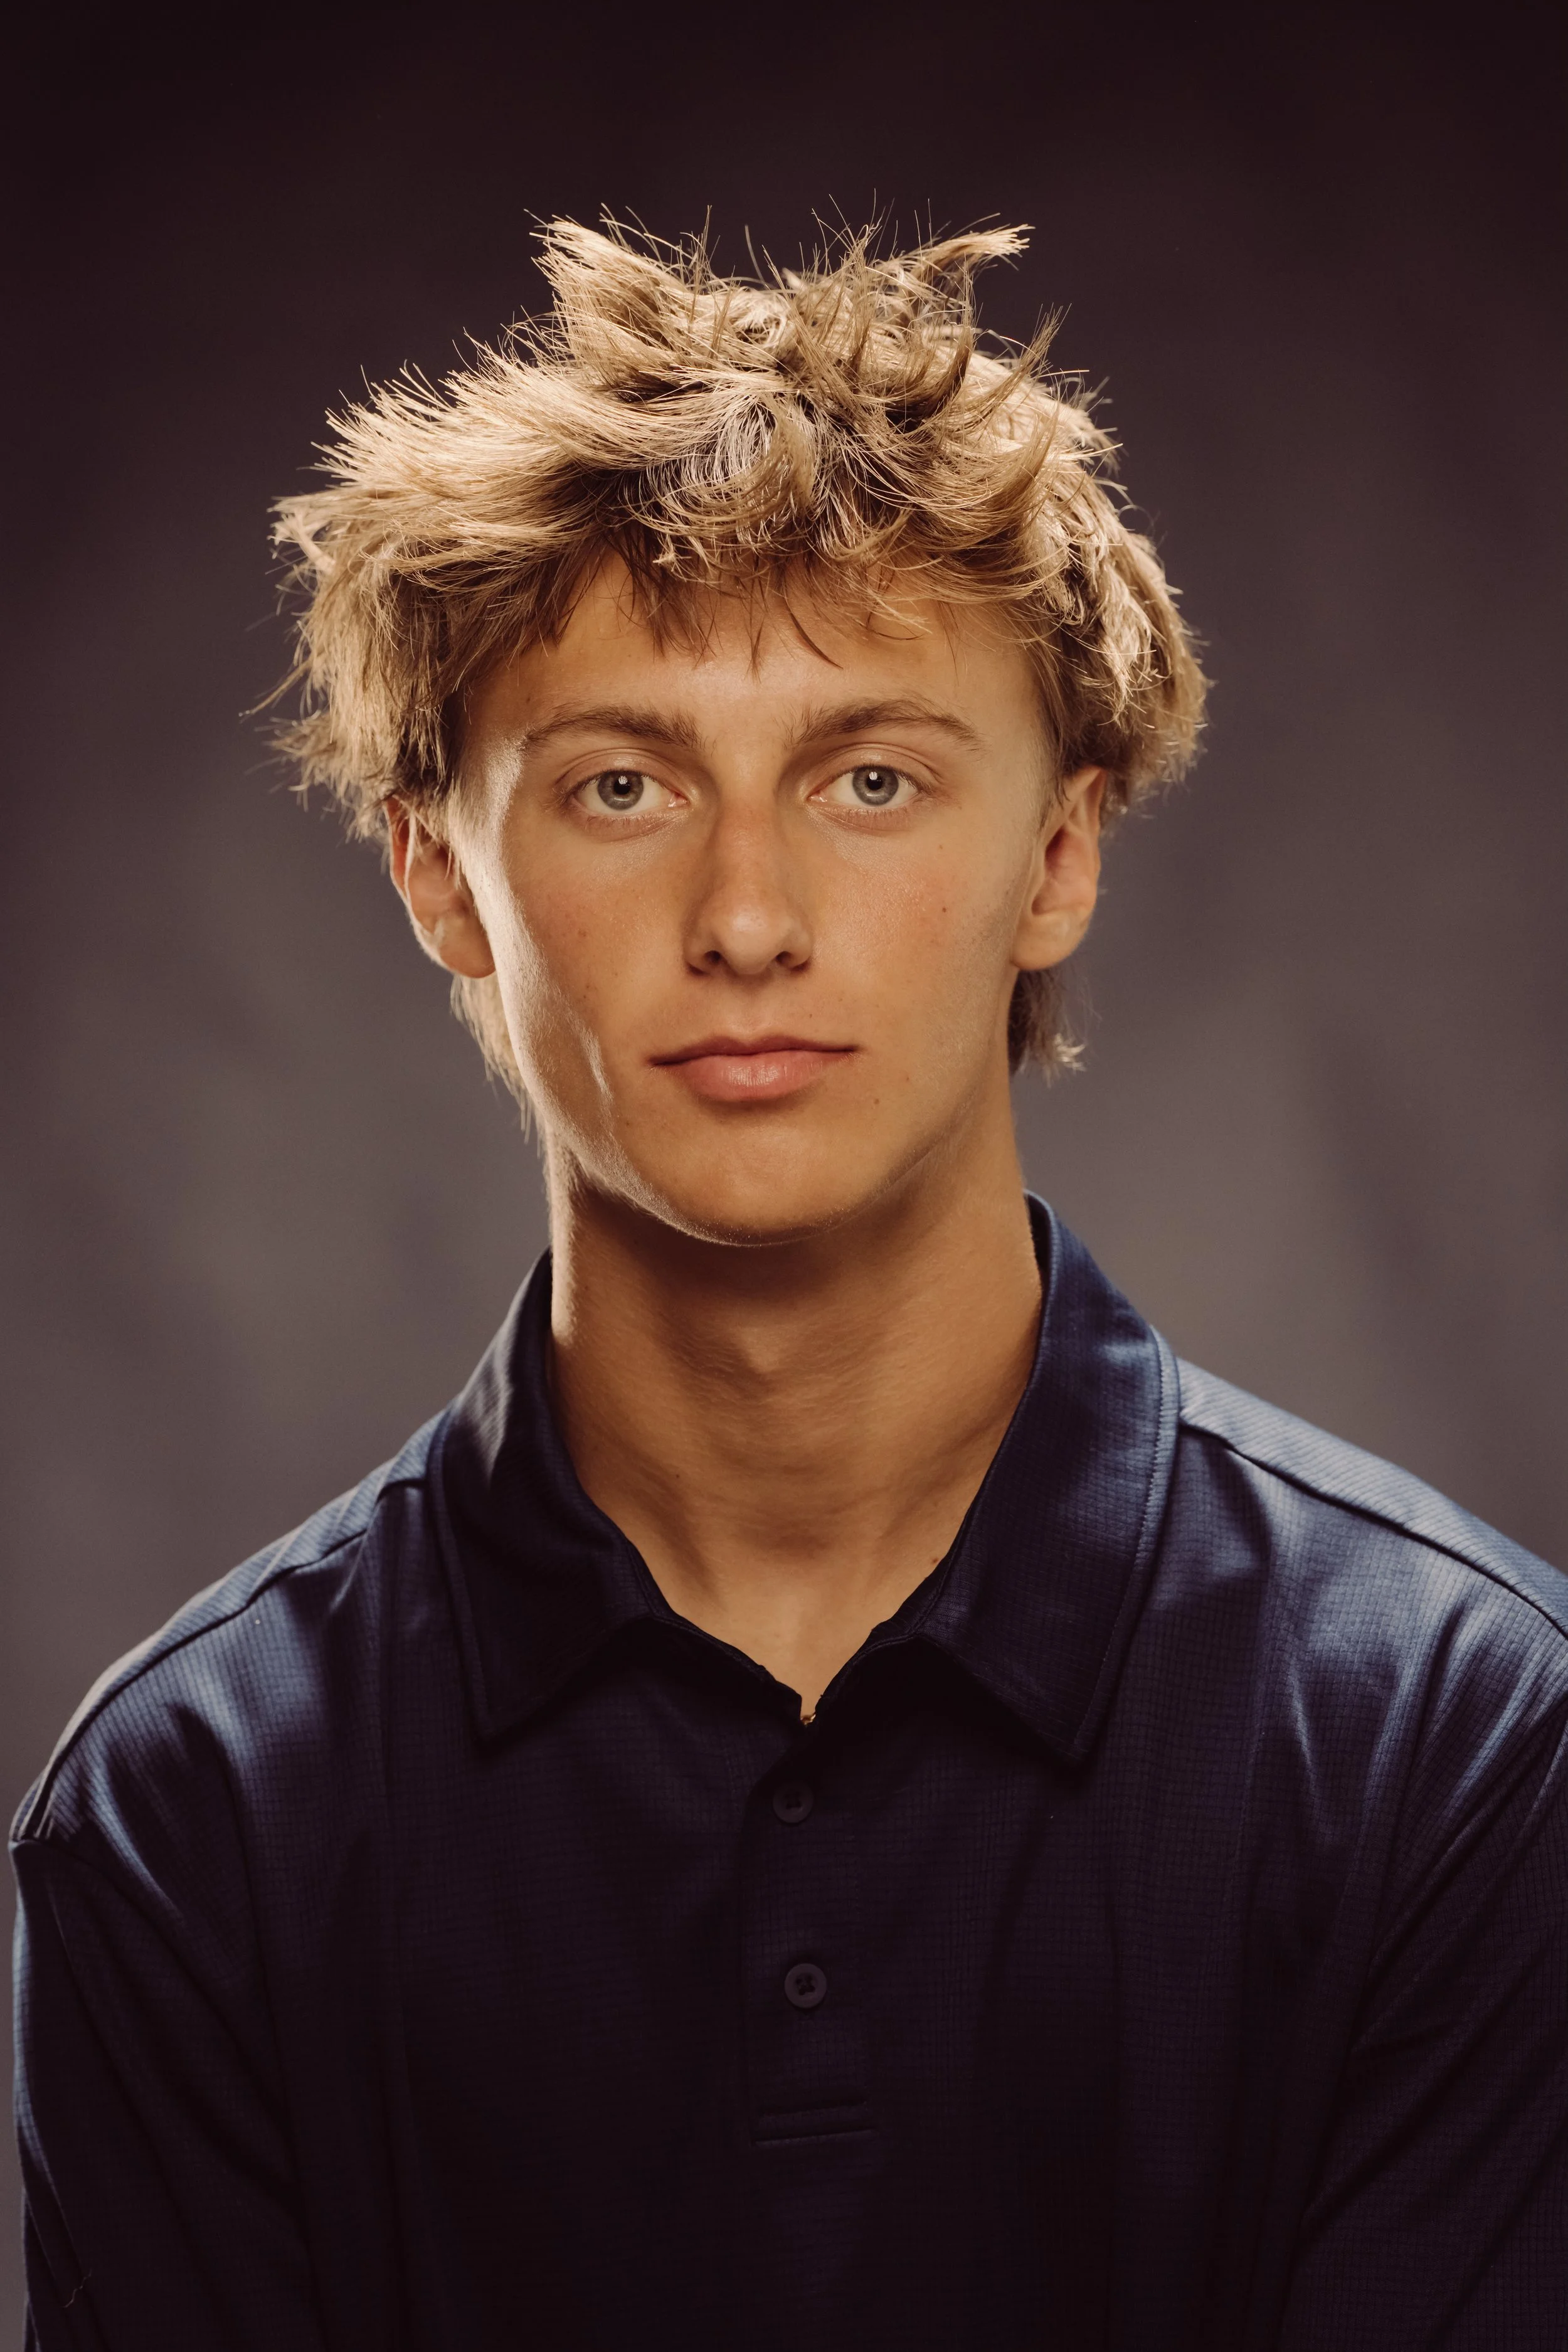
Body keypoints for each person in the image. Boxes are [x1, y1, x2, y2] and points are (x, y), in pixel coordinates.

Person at [11, 222, 1566, 2352]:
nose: (748, 914)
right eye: (622, 785)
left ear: (1060, 855)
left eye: (871, 778)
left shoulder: (1455, 1742)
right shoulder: (191, 1809)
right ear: (437, 874)